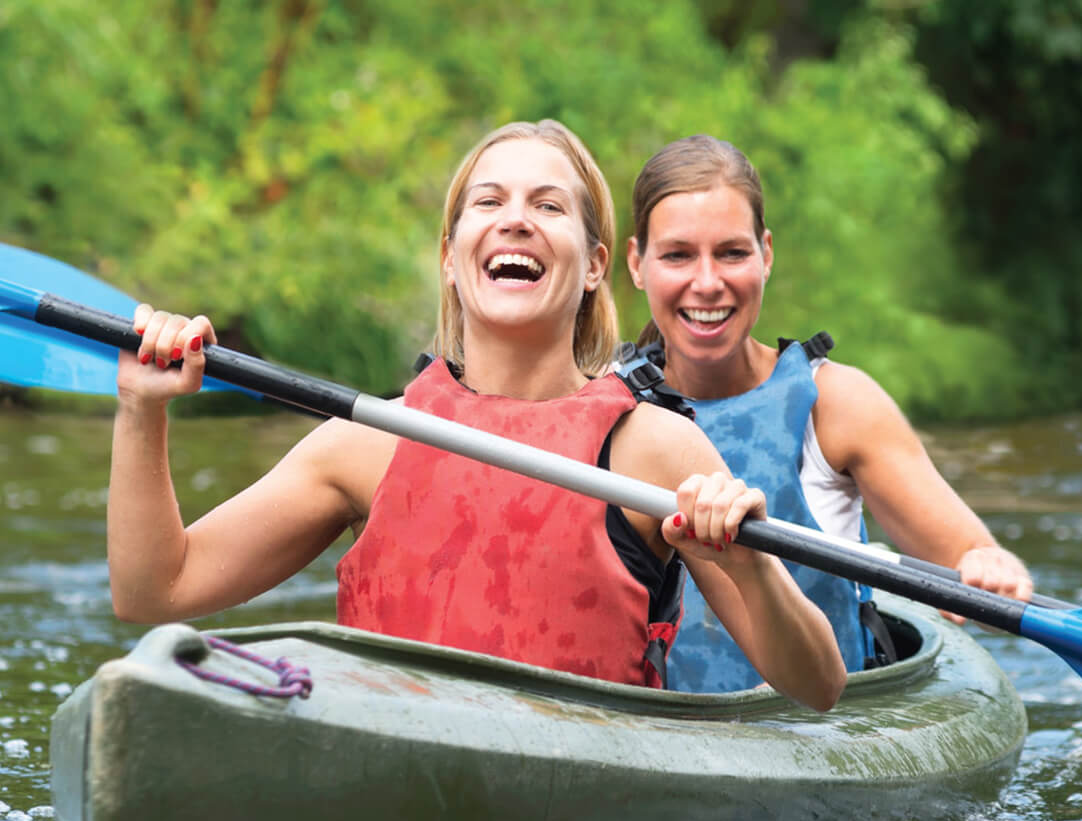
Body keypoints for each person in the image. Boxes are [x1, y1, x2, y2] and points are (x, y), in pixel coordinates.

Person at [107, 120, 846, 710]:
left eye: (547, 206)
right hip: (389, 776)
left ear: (593, 266)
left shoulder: (653, 449)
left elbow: (818, 689)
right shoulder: (366, 445)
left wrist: (750, 569)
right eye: (488, 203)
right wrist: (142, 412)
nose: (515, 221)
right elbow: (154, 591)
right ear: (450, 257)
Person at [621, 134, 1033, 693]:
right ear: (636, 264)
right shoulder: (605, 406)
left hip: (821, 733)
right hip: (658, 735)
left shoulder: (837, 404)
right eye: (678, 255)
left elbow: (971, 568)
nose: (708, 281)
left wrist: (990, 568)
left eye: (732, 253)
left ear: (766, 255)